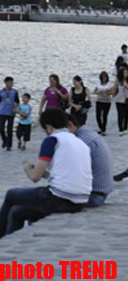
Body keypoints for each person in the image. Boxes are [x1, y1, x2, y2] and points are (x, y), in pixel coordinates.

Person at [0, 108, 91, 239]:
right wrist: (44, 173)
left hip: (59, 198)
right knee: (16, 211)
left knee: (11, 195)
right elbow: (66, 173)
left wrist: (27, 167)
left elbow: (34, 177)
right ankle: (8, 240)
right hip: (81, 200)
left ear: (48, 127)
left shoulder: (52, 140)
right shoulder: (80, 142)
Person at [67, 114, 114, 207]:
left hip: (93, 195)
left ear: (70, 125)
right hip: (100, 192)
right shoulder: (88, 135)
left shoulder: (80, 142)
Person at [112, 67, 128, 136]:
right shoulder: (118, 80)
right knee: (120, 115)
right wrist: (112, 94)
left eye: (127, 73)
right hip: (119, 100)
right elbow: (114, 89)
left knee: (126, 114)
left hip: (127, 99)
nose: (126, 74)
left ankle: (125, 128)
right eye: (124, 73)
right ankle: (120, 129)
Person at [0, 76, 19, 151]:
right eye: (10, 82)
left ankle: (9, 145)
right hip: (2, 112)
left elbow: (17, 102)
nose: (11, 84)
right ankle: (5, 140)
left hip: (11, 113)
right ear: (6, 83)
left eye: (12, 82)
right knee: (1, 128)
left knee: (9, 129)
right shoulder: (1, 92)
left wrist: (15, 108)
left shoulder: (14, 92)